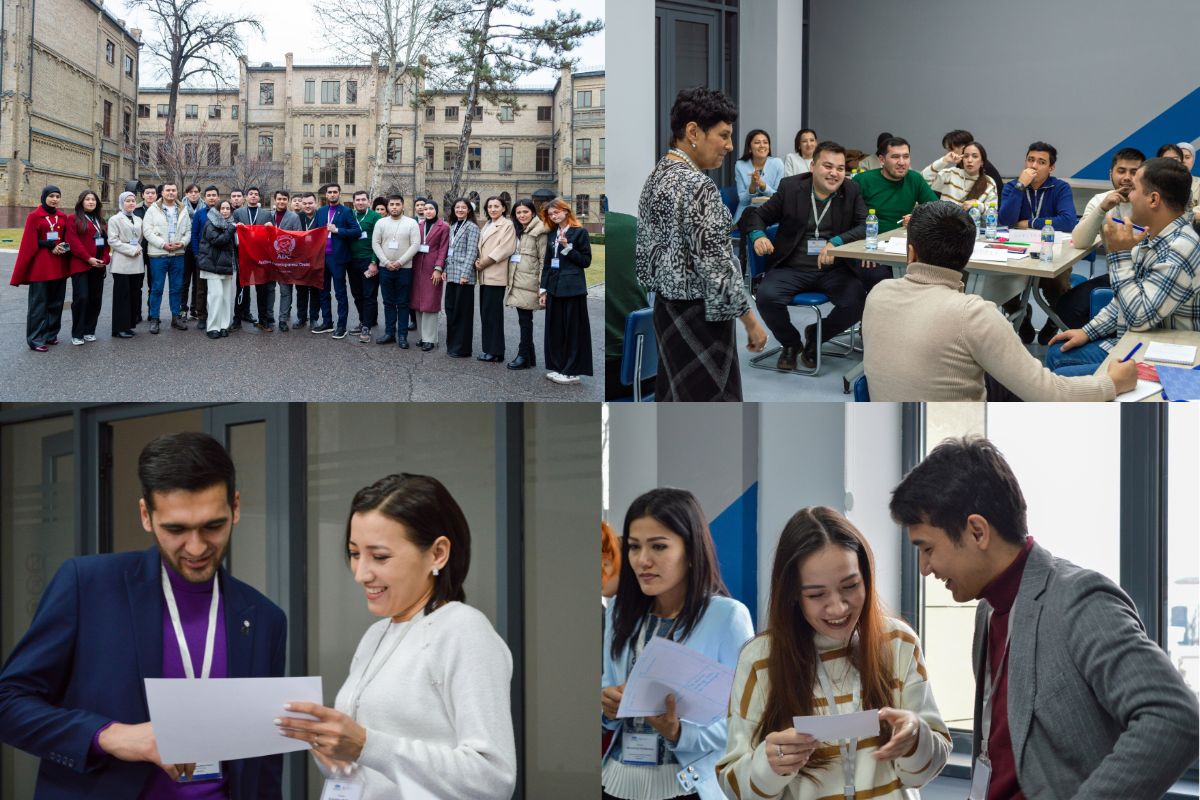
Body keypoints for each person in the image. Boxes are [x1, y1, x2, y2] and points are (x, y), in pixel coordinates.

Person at [892, 436, 1200, 799]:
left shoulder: (1078, 600)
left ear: (977, 531)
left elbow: (1174, 716)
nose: (925, 568)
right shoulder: (988, 610)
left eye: (928, 549)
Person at [0, 432, 287, 799]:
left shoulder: (265, 618)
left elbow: (262, 765)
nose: (197, 547)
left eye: (213, 526)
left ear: (235, 507)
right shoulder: (86, 585)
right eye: (176, 529)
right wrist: (112, 736)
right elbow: (9, 703)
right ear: (145, 515)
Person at [274, 474, 516, 799]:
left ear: (438, 553)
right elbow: (375, 773)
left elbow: (493, 779)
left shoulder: (463, 631)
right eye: (354, 553)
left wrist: (365, 744)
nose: (361, 574)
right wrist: (336, 758)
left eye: (380, 556)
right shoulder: (376, 634)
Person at [717, 507, 951, 800]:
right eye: (816, 595)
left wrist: (916, 739)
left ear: (866, 577)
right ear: (792, 594)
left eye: (850, 586)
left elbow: (926, 769)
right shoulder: (760, 659)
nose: (839, 608)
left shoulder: (898, 643)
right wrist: (769, 766)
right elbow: (733, 786)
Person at [863, 201, 1132, 400]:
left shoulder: (878, 293)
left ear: (911, 252)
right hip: (962, 444)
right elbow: (1049, 393)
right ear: (967, 257)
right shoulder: (973, 314)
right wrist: (1112, 383)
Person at [601, 488, 754, 800]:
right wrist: (606, 705)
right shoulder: (619, 611)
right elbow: (608, 683)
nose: (643, 560)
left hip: (689, 786)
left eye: (658, 546)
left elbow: (747, 722)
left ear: (691, 551)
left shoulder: (727, 617)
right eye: (633, 547)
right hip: (615, 781)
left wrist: (680, 733)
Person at [635, 87, 768, 401]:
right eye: (723, 135)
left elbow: (645, 256)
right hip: (702, 316)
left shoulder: (657, 175)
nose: (730, 146)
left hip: (666, 311)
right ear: (693, 131)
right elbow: (716, 265)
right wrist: (750, 321)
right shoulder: (697, 184)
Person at [1046, 157, 1199, 376]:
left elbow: (1138, 316)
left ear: (1154, 199)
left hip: (1163, 356)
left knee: (1064, 376)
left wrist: (1120, 254)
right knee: (1057, 354)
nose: (1128, 194)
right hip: (1137, 340)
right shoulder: (1154, 234)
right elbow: (1121, 301)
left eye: (1135, 188)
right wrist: (1087, 332)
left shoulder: (1181, 248)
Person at [742, 140, 868, 371]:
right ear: (812, 167)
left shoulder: (851, 190)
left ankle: (816, 337)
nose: (834, 173)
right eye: (827, 166)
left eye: (840, 168)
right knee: (767, 297)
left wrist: (836, 242)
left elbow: (864, 226)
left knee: (857, 302)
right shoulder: (791, 188)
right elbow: (757, 216)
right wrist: (758, 235)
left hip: (833, 268)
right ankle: (790, 344)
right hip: (792, 266)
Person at [1052, 148, 1146, 332]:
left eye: (1134, 172)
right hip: (1114, 274)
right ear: (1111, 174)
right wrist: (1102, 209)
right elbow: (1079, 242)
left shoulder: (1149, 202)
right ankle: (1097, 341)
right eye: (1121, 171)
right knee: (1067, 307)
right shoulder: (1100, 201)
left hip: (1147, 274)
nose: (1127, 177)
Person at [997, 141, 1077, 341]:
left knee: (1058, 284)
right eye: (1030, 160)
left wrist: (1030, 222)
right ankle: (1022, 317)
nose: (1033, 166)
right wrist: (1020, 187)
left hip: (1051, 253)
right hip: (1018, 252)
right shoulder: (1013, 187)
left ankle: (1053, 318)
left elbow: (1067, 221)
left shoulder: (1060, 188)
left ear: (1051, 168)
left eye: (1041, 162)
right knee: (999, 282)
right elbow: (1005, 221)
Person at [852, 137, 939, 291]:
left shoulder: (914, 179)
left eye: (906, 156)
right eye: (895, 157)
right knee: (882, 281)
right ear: (881, 159)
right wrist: (862, 248)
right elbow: (849, 220)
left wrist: (917, 218)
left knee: (932, 278)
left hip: (903, 249)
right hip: (870, 248)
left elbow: (936, 210)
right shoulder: (862, 180)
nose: (902, 162)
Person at [539, 197, 593, 384]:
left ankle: (571, 371)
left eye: (556, 212)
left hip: (573, 289)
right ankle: (559, 367)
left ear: (566, 211)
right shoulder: (552, 234)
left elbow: (585, 261)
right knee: (556, 330)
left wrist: (567, 247)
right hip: (554, 288)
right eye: (551, 214)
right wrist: (543, 289)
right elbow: (547, 264)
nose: (554, 216)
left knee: (573, 330)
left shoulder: (580, 233)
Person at [10, 185, 71, 351]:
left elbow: (66, 237)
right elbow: (29, 241)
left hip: (59, 267)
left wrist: (63, 246)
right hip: (41, 268)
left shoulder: (62, 216)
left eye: (57, 196)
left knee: (56, 303)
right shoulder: (34, 216)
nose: (54, 199)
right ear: (44, 197)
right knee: (39, 305)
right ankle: (36, 339)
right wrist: (49, 244)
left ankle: (51, 334)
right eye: (51, 196)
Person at [142, 182, 192, 334]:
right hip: (158, 255)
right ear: (162, 193)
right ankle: (154, 318)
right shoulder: (152, 209)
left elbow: (188, 231)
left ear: (177, 192)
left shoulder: (183, 209)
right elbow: (147, 231)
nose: (171, 192)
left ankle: (176, 317)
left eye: (174, 190)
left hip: (178, 254)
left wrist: (182, 243)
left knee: (176, 288)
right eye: (168, 190)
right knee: (156, 288)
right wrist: (163, 244)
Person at [371, 194, 421, 348]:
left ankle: (402, 336)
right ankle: (390, 333)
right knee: (388, 302)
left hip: (404, 269)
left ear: (403, 205)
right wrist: (386, 262)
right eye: (391, 204)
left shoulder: (411, 223)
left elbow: (415, 245)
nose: (394, 207)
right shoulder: (381, 222)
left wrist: (399, 262)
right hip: (385, 269)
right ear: (388, 206)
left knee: (403, 303)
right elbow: (375, 243)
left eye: (397, 204)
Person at [314, 183, 363, 337]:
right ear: (326, 195)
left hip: (338, 258)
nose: (332, 194)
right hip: (322, 258)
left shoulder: (347, 211)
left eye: (335, 192)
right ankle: (327, 322)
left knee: (340, 293)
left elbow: (356, 231)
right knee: (323, 292)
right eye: (330, 192)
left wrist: (338, 230)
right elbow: (315, 232)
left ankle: (342, 325)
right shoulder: (320, 212)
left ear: (339, 194)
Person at [504, 199, 547, 370]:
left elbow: (544, 260)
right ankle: (530, 356)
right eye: (518, 212)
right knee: (524, 320)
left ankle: (523, 355)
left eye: (525, 212)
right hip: (517, 280)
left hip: (530, 281)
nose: (522, 215)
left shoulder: (540, 230)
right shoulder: (518, 229)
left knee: (525, 320)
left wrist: (542, 287)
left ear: (533, 212)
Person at [63, 190, 109, 346]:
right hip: (81, 265)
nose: (91, 202)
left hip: (98, 266)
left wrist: (104, 259)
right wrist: (88, 258)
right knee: (82, 298)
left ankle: (90, 330)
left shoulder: (100, 221)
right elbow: (73, 242)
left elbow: (106, 244)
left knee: (95, 299)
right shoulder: (73, 219)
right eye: (88, 199)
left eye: (94, 200)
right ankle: (77, 333)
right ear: (81, 202)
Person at [475, 196, 518, 363]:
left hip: (495, 275)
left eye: (496, 206)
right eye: (490, 206)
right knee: (486, 314)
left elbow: (505, 249)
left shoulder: (507, 225)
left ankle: (495, 352)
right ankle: (490, 349)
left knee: (493, 315)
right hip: (485, 276)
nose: (493, 209)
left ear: (503, 208)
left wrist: (483, 263)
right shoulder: (488, 224)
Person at [231, 187, 277, 332]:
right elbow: (233, 232)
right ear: (246, 197)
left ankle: (263, 321)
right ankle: (237, 320)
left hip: (261, 258)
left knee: (261, 290)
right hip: (243, 256)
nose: (253, 196)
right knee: (241, 289)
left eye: (256, 194)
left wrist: (272, 228)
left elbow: (273, 235)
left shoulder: (267, 214)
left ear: (259, 197)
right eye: (251, 194)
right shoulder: (238, 213)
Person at [444, 198, 480, 358]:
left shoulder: (472, 227)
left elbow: (472, 251)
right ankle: (452, 345)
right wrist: (444, 268)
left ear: (469, 210)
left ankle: (462, 348)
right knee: (451, 310)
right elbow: (448, 251)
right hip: (451, 273)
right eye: (457, 207)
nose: (459, 210)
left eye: (463, 207)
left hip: (463, 276)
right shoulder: (452, 226)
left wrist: (465, 274)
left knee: (462, 314)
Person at [411, 200, 449, 351]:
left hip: (432, 269)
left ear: (436, 210)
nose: (427, 211)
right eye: (425, 209)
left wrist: (438, 268)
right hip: (416, 268)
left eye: (431, 208)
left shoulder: (443, 227)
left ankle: (431, 339)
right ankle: (422, 336)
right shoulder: (418, 226)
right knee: (418, 303)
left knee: (430, 304)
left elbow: (443, 249)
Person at [198, 200, 238, 339]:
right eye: (223, 208)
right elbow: (217, 241)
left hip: (227, 265)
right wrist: (232, 230)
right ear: (218, 210)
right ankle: (213, 327)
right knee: (216, 296)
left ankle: (223, 326)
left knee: (226, 297)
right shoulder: (211, 223)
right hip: (212, 265)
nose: (225, 211)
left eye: (228, 208)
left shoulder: (231, 224)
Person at [107, 191, 144, 339]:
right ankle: (119, 328)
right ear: (122, 203)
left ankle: (128, 325)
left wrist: (137, 248)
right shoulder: (115, 219)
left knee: (133, 295)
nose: (131, 203)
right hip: (122, 261)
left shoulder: (138, 219)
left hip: (136, 261)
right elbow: (113, 241)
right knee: (122, 296)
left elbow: (140, 238)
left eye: (133, 201)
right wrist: (131, 249)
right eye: (128, 201)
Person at [921, 140, 998, 209]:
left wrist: (977, 205)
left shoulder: (989, 183)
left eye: (975, 156)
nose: (969, 160)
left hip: (972, 224)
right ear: (962, 159)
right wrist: (944, 161)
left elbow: (993, 210)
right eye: (966, 156)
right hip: (945, 222)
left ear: (982, 162)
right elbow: (923, 179)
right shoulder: (950, 173)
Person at [348, 190, 382, 342]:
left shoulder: (375, 217)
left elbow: (379, 241)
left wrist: (374, 262)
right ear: (353, 202)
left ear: (369, 201)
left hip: (369, 260)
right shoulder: (350, 215)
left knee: (369, 295)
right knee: (357, 294)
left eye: (363, 200)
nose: (360, 202)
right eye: (357, 200)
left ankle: (367, 326)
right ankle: (363, 321)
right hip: (352, 261)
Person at [266, 190, 302, 331]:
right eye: (279, 199)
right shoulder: (267, 215)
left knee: (286, 291)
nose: (281, 201)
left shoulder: (293, 217)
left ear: (288, 200)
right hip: (269, 260)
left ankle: (282, 319)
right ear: (275, 200)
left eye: (284, 199)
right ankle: (269, 318)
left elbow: (298, 237)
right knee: (269, 289)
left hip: (286, 260)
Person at [733, 129, 786, 224]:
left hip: (771, 212)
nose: (762, 145)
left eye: (765, 142)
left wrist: (763, 186)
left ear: (769, 147)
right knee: (751, 218)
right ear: (749, 148)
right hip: (747, 213)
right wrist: (752, 186)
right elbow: (743, 201)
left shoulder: (778, 163)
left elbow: (780, 197)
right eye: (757, 142)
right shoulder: (740, 165)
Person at [188, 185, 219, 330]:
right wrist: (195, 253)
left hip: (218, 257)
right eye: (209, 195)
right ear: (204, 198)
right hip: (202, 256)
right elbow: (194, 235)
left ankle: (215, 314)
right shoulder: (199, 214)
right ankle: (201, 316)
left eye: (214, 195)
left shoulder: (223, 212)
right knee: (201, 288)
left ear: (218, 197)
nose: (212, 197)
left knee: (216, 289)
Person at [293, 193, 320, 330]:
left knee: (315, 290)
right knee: (301, 290)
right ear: (301, 205)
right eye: (305, 204)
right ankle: (301, 318)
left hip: (317, 259)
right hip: (300, 260)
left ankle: (314, 318)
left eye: (310, 203)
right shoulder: (297, 217)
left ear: (316, 203)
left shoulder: (321, 217)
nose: (307, 206)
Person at [133, 184, 157, 325]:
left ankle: (152, 312)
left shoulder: (160, 210)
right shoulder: (135, 210)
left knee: (153, 285)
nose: (150, 195)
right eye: (147, 193)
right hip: (139, 252)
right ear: (142, 195)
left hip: (155, 251)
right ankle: (136, 313)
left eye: (153, 193)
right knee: (137, 284)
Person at [180, 183, 202, 321]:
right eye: (190, 192)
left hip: (200, 248)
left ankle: (195, 308)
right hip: (184, 248)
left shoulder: (206, 208)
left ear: (199, 193)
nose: (193, 194)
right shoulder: (180, 207)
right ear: (186, 194)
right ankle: (183, 309)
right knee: (185, 280)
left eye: (196, 191)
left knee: (198, 281)